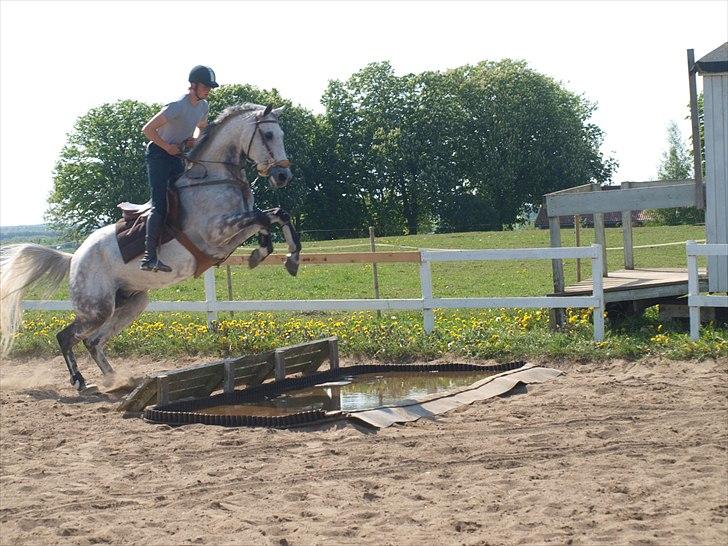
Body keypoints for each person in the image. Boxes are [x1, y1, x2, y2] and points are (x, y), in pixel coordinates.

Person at [139, 65, 219, 272]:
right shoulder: (177, 105)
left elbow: (201, 129)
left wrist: (193, 141)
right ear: (193, 85)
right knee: (160, 204)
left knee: (184, 199)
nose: (208, 89)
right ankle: (149, 257)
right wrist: (167, 147)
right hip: (158, 155)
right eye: (206, 86)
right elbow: (147, 129)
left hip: (176, 156)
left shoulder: (203, 106)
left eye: (210, 87)